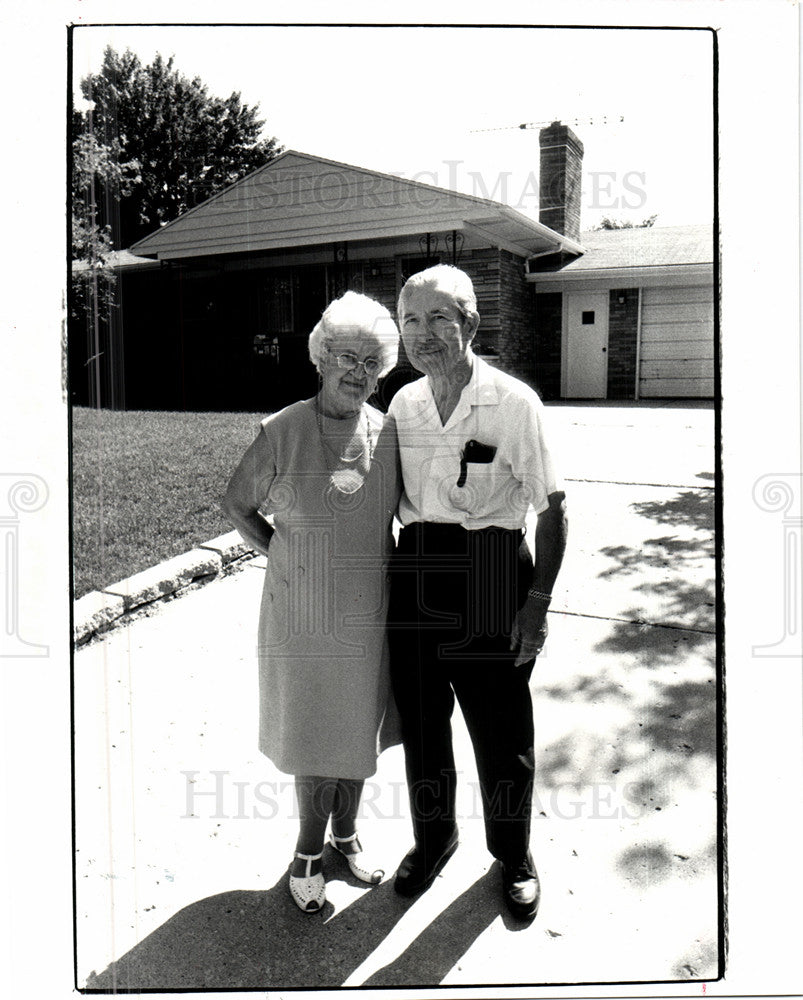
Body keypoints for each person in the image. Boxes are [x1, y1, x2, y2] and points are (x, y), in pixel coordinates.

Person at [387, 264, 568, 921]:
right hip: (417, 568)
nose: (423, 332)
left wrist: (537, 604)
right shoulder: (402, 404)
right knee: (423, 726)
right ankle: (433, 839)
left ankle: (512, 853)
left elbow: (551, 509)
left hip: (491, 567)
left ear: (469, 323)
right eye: (410, 319)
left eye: (439, 317)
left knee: (498, 726)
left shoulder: (513, 402)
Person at [223, 291, 401, 913]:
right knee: (313, 734)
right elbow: (238, 503)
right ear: (321, 358)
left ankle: (346, 835)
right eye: (347, 357)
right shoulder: (283, 430)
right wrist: (281, 553)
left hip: (367, 615)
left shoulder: (390, 432)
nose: (359, 372)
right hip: (301, 614)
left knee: (357, 731)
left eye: (372, 363)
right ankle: (306, 852)